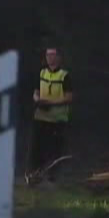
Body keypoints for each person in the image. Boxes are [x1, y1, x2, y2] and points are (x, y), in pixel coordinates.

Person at [29, 47, 74, 176]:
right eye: (48, 55)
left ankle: (52, 176)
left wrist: (51, 103)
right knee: (37, 147)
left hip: (57, 118)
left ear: (59, 57)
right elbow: (36, 91)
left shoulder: (64, 75)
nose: (50, 58)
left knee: (55, 149)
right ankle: (35, 173)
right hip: (41, 116)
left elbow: (69, 97)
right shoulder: (42, 73)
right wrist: (38, 100)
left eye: (53, 55)